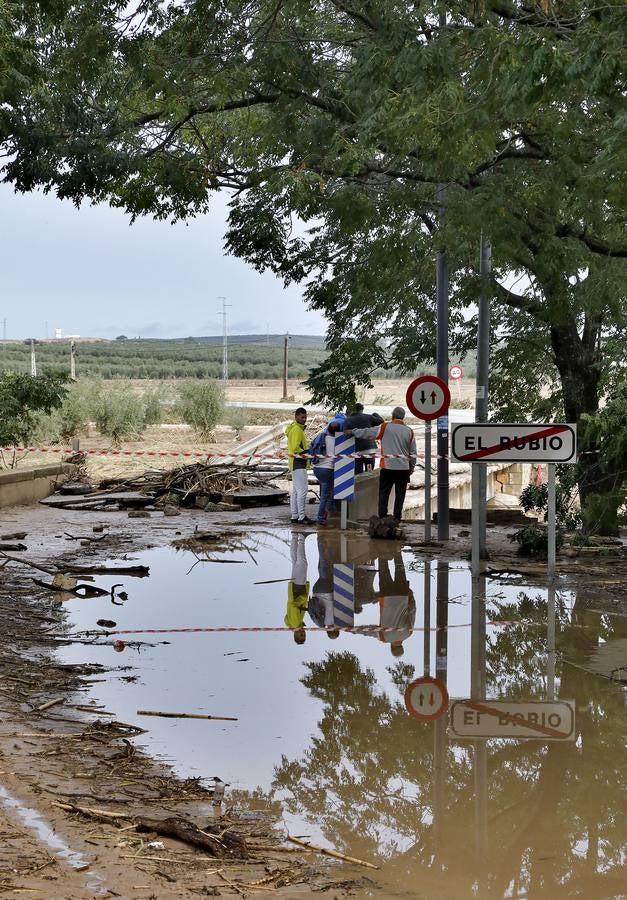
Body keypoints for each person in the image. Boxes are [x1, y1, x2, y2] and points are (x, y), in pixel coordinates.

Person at [348, 406, 416, 521]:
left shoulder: (385, 427)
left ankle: (382, 516)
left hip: (388, 467)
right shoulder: (409, 431)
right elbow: (413, 453)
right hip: (403, 469)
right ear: (403, 417)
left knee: (384, 493)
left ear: (393, 415)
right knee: (400, 495)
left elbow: (368, 432)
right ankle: (397, 518)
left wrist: (352, 431)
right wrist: (411, 467)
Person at [376, 554, 416, 656]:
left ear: (402, 645)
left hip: (402, 596)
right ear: (391, 647)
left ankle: (397, 548)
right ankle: (381, 546)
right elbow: (370, 630)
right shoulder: (383, 637)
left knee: (399, 569)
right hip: (386, 598)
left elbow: (412, 610)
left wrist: (410, 595)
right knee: (383, 569)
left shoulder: (408, 633)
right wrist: (352, 630)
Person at [285, 407, 312, 524]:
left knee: (296, 491)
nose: (304, 419)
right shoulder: (297, 429)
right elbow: (296, 447)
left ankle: (295, 515)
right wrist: (306, 454)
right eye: (302, 417)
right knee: (302, 490)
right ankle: (301, 517)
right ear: (296, 417)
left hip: (294, 462)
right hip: (298, 462)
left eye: (305, 417)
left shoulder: (293, 429)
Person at [312, 420, 341, 525]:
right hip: (328, 470)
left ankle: (327, 515)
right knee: (326, 496)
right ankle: (321, 518)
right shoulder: (338, 441)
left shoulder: (321, 437)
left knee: (325, 493)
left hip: (317, 468)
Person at [285, 531, 310, 644]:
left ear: (296, 634)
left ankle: (301, 538)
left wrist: (304, 599)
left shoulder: (296, 622)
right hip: (293, 590)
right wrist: (290, 625)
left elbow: (294, 606)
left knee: (302, 562)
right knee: (295, 561)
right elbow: (285, 619)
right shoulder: (292, 623)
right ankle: (295, 536)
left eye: (301, 635)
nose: (303, 632)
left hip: (298, 591)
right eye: (304, 635)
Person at [345, 403, 383, 474]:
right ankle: (368, 484)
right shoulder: (369, 417)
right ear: (362, 410)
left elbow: (346, 433)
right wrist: (375, 414)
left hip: (357, 450)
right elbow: (381, 420)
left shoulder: (348, 420)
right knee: (369, 472)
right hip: (370, 450)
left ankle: (359, 485)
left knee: (358, 474)